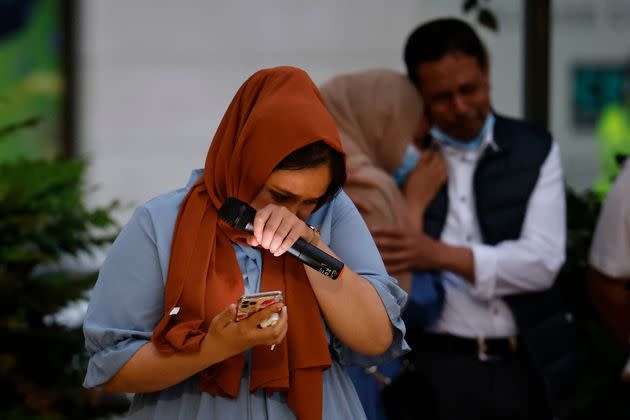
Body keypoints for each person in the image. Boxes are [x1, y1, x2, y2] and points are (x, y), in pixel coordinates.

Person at [82, 66, 408, 420]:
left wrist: (311, 248)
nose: (295, 214)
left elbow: (376, 338)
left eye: (310, 201)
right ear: (243, 165)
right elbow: (111, 367)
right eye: (280, 196)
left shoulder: (332, 213)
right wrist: (213, 348)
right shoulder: (161, 221)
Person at [371, 18, 575, 419]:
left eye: (469, 89)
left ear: (487, 72)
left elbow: (543, 262)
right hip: (433, 365)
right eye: (442, 98)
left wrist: (438, 254)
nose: (461, 108)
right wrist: (410, 202)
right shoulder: (398, 160)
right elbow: (384, 270)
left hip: (524, 363)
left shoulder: (532, 147)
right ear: (420, 95)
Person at [319, 69, 447, 420]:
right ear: (384, 121)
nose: (416, 152)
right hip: (359, 382)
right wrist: (415, 207)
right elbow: (418, 302)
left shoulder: (317, 173)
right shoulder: (370, 188)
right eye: (414, 138)